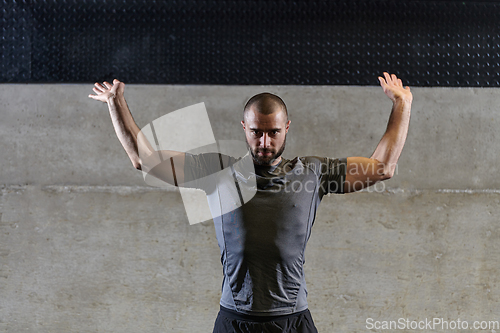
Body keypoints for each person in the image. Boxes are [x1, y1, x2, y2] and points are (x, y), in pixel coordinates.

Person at [89, 72, 412, 333]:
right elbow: (145, 160)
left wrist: (402, 104)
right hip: (235, 320)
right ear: (244, 128)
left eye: (273, 132)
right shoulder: (216, 171)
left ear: (286, 128)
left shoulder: (315, 172)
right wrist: (116, 103)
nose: (265, 142)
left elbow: (382, 168)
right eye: (257, 132)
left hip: (292, 320)